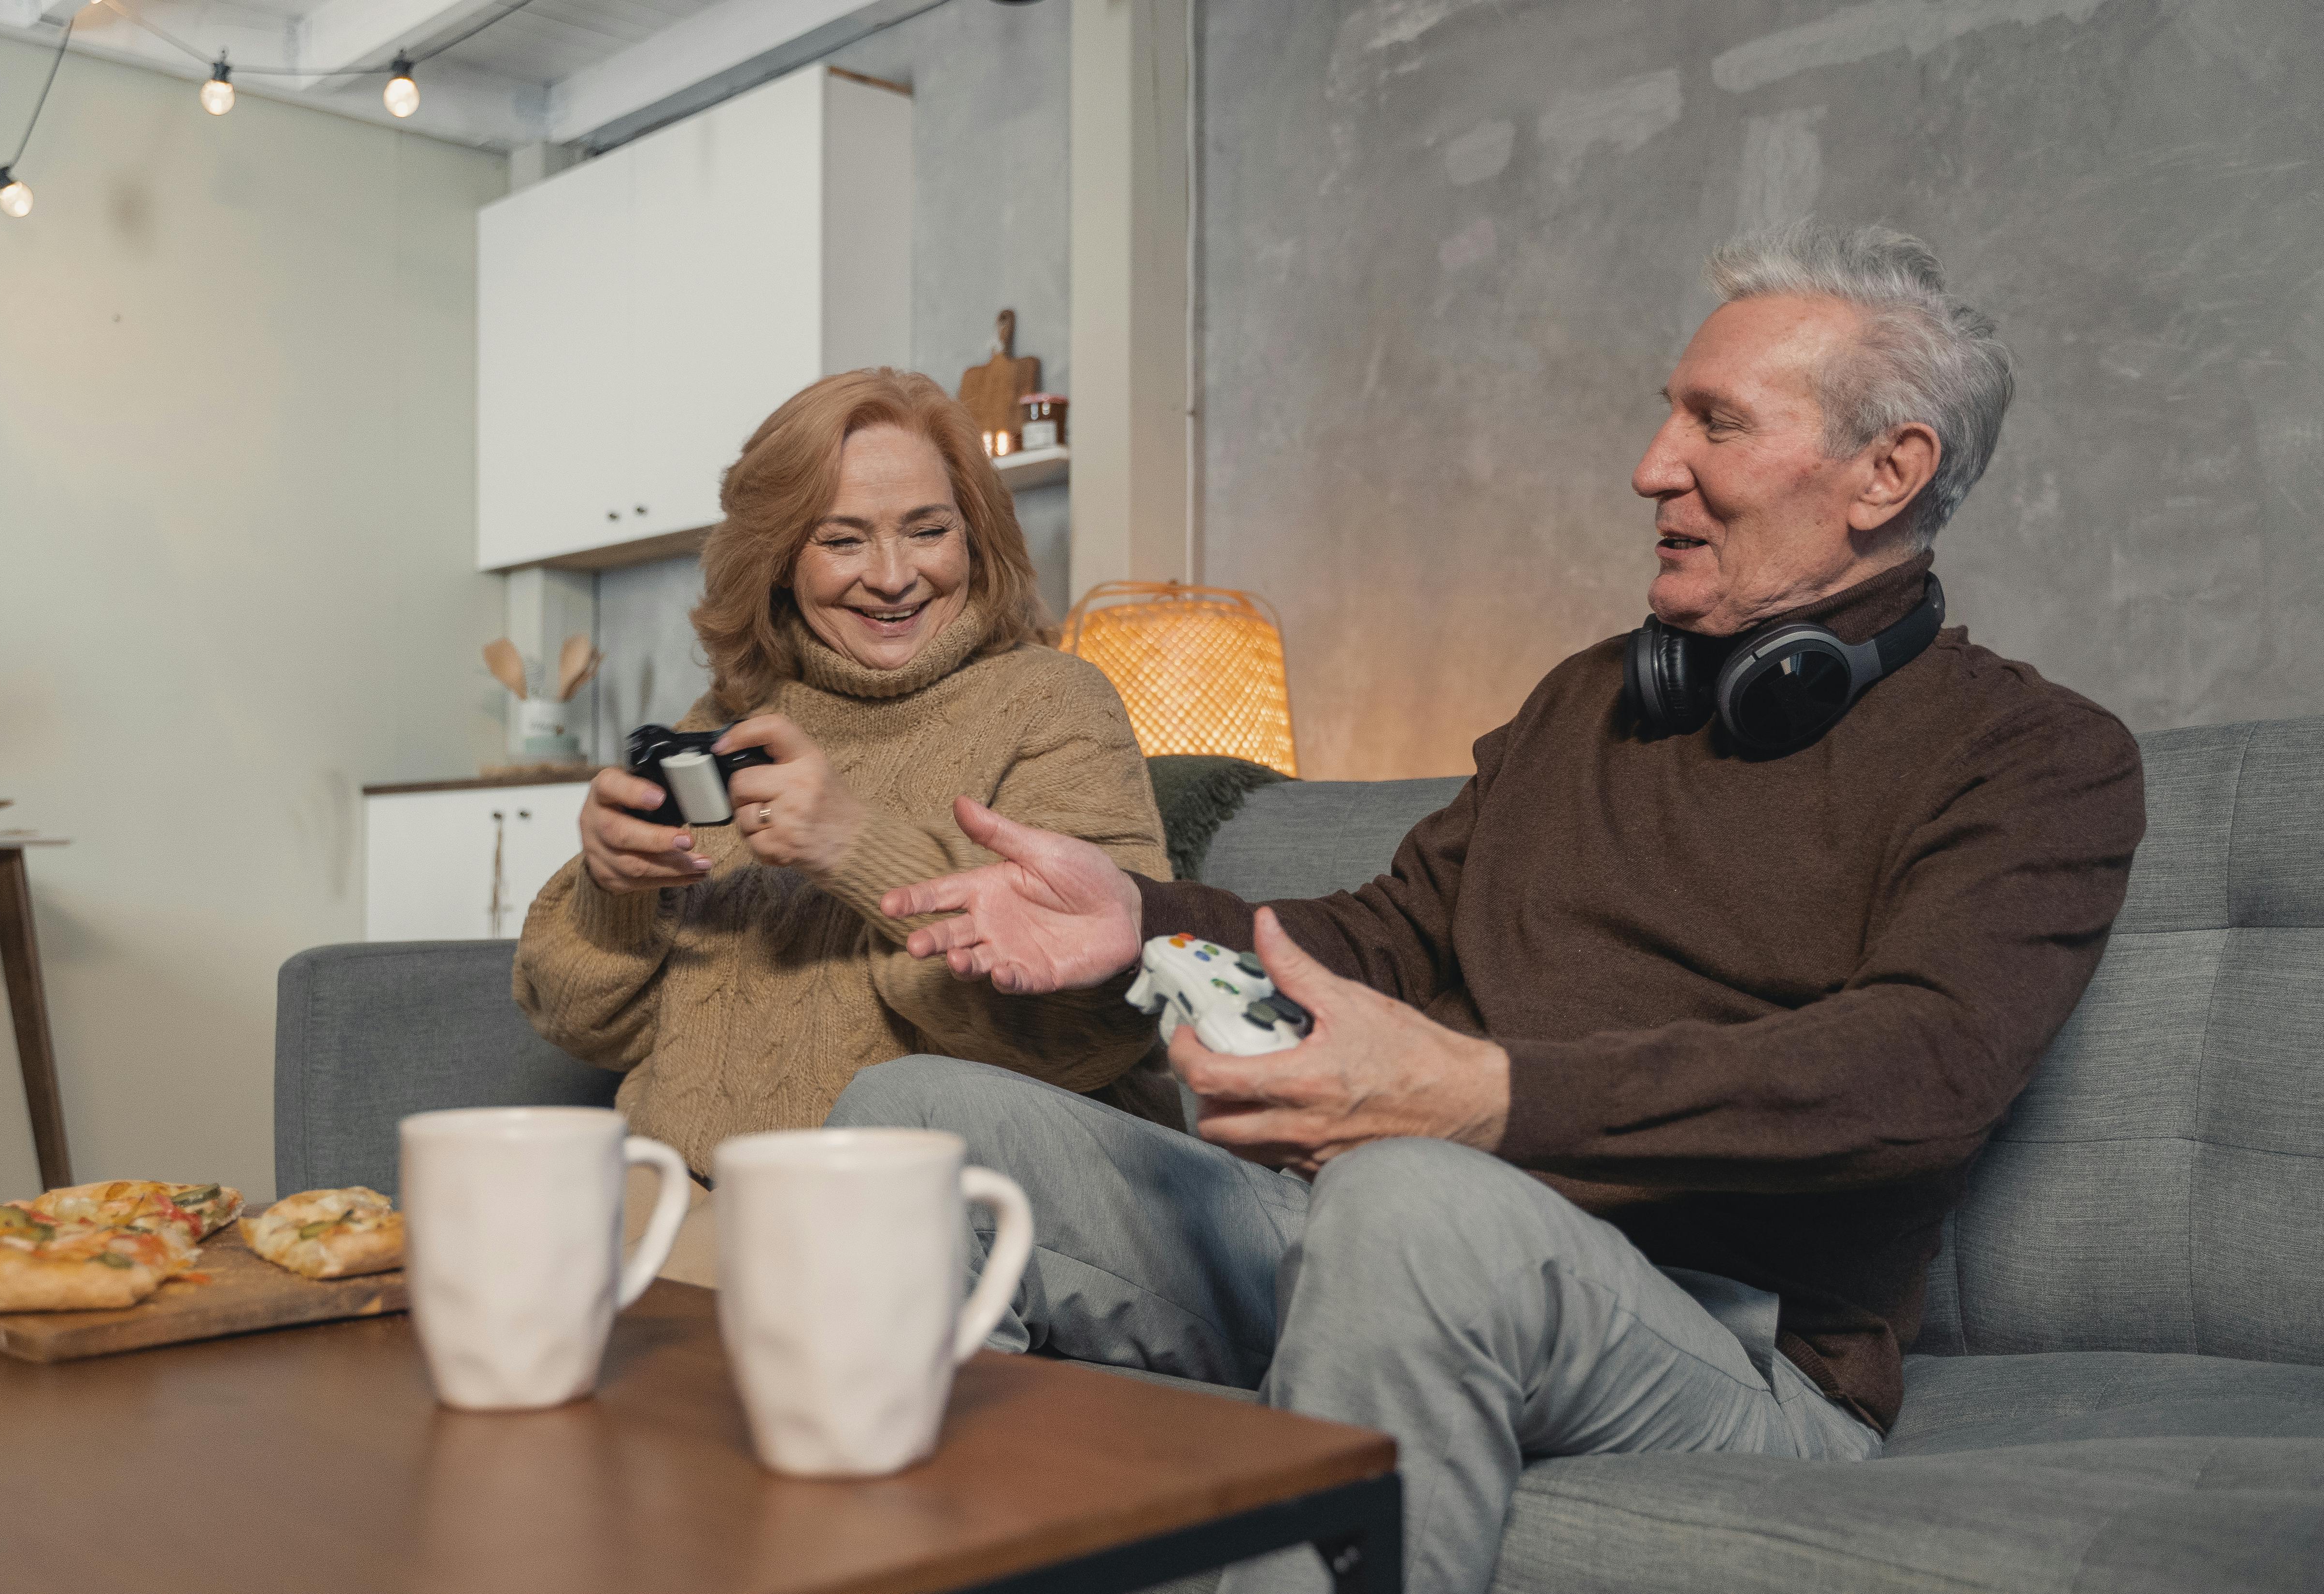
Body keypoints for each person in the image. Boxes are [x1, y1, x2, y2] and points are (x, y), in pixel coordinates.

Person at [825, 224, 2147, 1594]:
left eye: (1715, 424)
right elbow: (1384, 937)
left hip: (1722, 1339)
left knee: (1411, 1198)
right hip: (1384, 1236)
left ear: (1889, 470)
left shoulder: (2037, 755)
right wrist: (1143, 925)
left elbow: (1911, 1074)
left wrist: (1486, 1094)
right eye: (1665, 416)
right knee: (913, 1122)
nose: (1652, 468)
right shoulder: (1591, 699)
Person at [512, 367, 1175, 1183]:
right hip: (672, 1202)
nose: (894, 575)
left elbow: (1102, 1026)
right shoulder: (728, 716)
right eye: (843, 539)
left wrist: (856, 846)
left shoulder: (1053, 702)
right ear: (781, 559)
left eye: (928, 530)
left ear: (975, 535)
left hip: (916, 1215)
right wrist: (614, 895)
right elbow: (582, 1023)